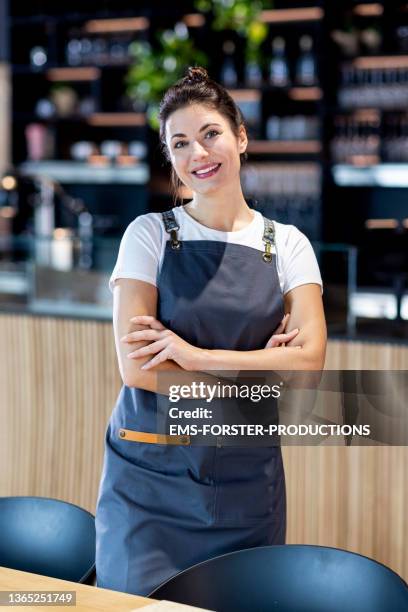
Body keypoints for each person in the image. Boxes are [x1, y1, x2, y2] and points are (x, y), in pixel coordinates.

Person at [95, 66, 327, 596]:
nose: (197, 153)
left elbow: (310, 368)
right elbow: (139, 372)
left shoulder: (288, 245)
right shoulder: (148, 236)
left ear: (240, 138)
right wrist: (257, 376)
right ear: (170, 158)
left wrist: (190, 354)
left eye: (210, 134)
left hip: (247, 488)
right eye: (179, 143)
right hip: (150, 486)